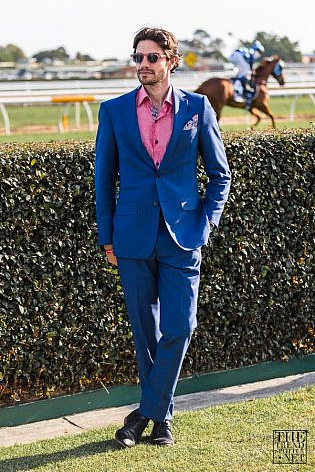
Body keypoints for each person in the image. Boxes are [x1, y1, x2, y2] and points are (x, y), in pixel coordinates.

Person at [95, 26, 231, 448]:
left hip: (183, 236)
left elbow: (220, 174)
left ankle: (143, 414)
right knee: (144, 331)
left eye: (152, 58)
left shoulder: (198, 107)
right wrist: (107, 237)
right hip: (131, 237)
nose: (143, 65)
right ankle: (163, 419)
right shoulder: (114, 111)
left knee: (180, 327)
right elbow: (104, 179)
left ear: (171, 61)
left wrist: (206, 224)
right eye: (138, 58)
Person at [229, 40, 265, 109]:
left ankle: (236, 87)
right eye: (260, 52)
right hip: (237, 56)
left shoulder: (249, 51)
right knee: (246, 72)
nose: (259, 54)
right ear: (257, 50)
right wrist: (252, 71)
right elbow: (250, 64)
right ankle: (237, 92)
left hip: (234, 56)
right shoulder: (252, 52)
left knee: (241, 73)